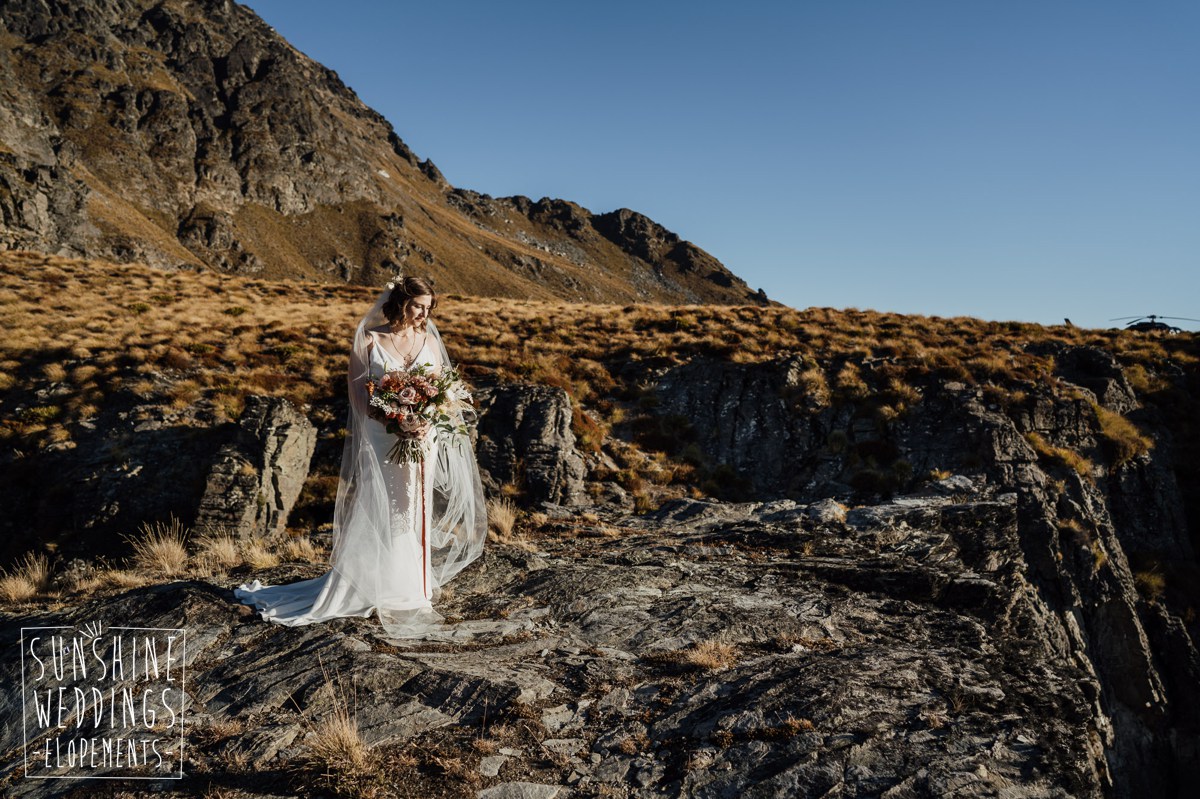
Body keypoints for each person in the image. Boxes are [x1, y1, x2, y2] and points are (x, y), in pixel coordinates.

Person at [235, 275, 487, 638]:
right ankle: (378, 585)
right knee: (386, 506)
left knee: (415, 507)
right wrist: (397, 420)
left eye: (429, 308)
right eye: (418, 306)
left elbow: (443, 393)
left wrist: (423, 420)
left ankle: (413, 588)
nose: (423, 314)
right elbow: (360, 401)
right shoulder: (369, 339)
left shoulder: (429, 339)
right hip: (385, 438)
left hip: (424, 438)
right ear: (400, 302)